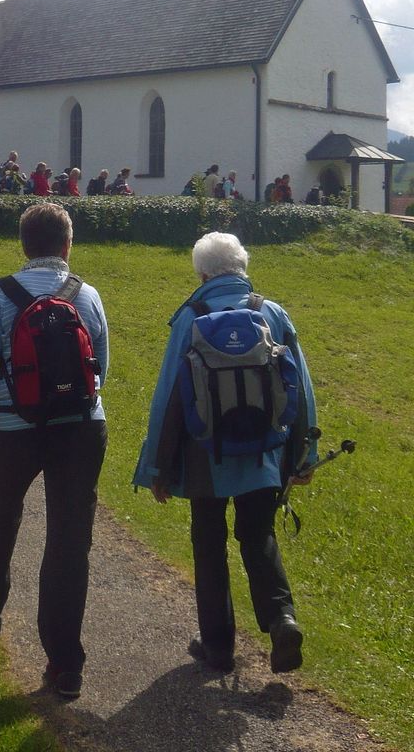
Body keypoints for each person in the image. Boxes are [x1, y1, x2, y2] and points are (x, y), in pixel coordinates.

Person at [133, 231, 317, 675]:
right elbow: (302, 389)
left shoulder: (191, 316)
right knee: (259, 535)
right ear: (243, 268)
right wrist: (305, 454)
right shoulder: (271, 313)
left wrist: (156, 465)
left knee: (208, 543)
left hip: (205, 454)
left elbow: (167, 398)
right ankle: (281, 619)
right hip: (264, 453)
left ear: (203, 273)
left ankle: (218, 648)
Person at [0, 202, 109, 700]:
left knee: (1, 515)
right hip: (81, 429)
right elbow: (100, 371)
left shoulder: (1, 294)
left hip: (14, 426)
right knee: (69, 540)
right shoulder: (87, 295)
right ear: (68, 245)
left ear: (24, 246)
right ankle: (65, 664)